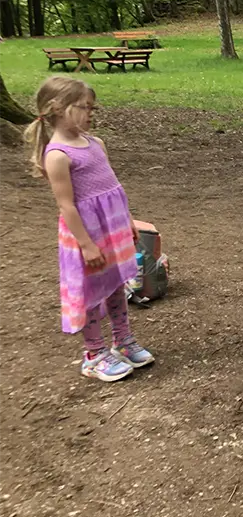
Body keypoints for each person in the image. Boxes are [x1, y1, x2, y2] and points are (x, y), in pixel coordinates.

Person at [24, 76, 154, 382]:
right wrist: (86, 244)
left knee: (116, 285)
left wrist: (128, 223)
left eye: (92, 107)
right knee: (92, 294)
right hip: (88, 235)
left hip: (113, 230)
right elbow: (67, 206)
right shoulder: (57, 155)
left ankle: (122, 341)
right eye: (84, 107)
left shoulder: (96, 143)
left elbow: (113, 190)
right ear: (58, 108)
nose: (90, 113)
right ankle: (94, 354)